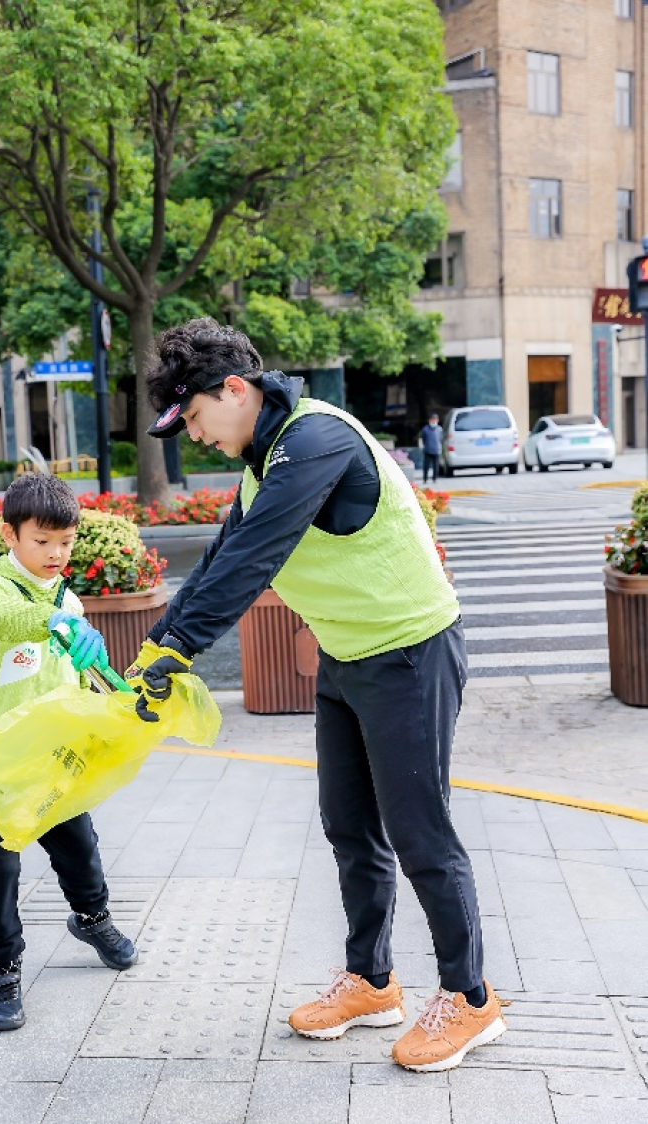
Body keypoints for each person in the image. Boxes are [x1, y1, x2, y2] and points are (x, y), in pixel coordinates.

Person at [132, 318, 506, 1073]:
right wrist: (156, 645)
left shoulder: (316, 441)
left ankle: (470, 999)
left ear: (233, 389)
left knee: (419, 834)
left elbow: (255, 558)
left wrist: (180, 648)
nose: (194, 437)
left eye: (195, 419)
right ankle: (371, 981)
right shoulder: (262, 459)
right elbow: (220, 558)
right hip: (345, 657)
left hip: (409, 654)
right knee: (348, 828)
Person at [0, 474, 138, 1032]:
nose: (56, 554)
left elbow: (77, 670)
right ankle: (2, 969)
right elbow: (9, 620)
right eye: (42, 541)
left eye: (66, 542)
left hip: (50, 755)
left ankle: (92, 919)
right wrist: (56, 621)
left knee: (79, 845)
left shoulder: (66, 596)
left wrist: (119, 698)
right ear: (11, 535)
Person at [420, 412, 443, 483]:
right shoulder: (425, 429)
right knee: (426, 466)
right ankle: (425, 479)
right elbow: (423, 439)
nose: (433, 421)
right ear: (429, 420)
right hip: (428, 450)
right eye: (432, 419)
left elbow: (441, 438)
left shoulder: (440, 429)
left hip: (436, 450)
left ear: (437, 420)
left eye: (435, 419)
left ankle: (434, 479)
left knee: (436, 466)